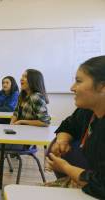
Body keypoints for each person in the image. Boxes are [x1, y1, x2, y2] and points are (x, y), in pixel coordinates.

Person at [46, 56, 105, 199]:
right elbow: (69, 125)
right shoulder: (89, 110)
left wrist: (65, 168)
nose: (72, 88)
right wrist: (62, 140)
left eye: (78, 81)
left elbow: (101, 185)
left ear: (102, 87)